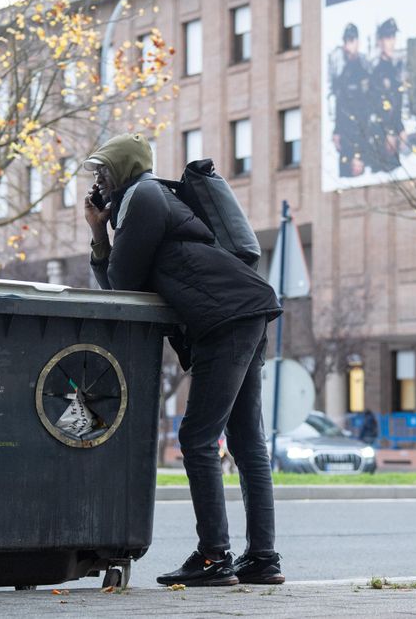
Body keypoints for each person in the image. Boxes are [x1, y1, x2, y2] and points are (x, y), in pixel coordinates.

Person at [82, 132, 285, 587]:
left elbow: (121, 287)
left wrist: (101, 233)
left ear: (123, 167)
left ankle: (214, 557)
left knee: (197, 437)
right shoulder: (144, 200)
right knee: (246, 440)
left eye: (103, 170)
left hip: (227, 319)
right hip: (244, 311)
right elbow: (123, 290)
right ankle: (262, 558)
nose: (98, 180)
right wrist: (101, 229)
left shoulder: (144, 196)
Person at [331, 23, 369, 178]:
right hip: (346, 132)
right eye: (346, 41)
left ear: (358, 42)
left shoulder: (365, 66)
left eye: (351, 41)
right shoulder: (342, 70)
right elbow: (339, 103)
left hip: (363, 131)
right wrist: (336, 131)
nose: (348, 46)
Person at [367, 18, 405, 173]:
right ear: (380, 41)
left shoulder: (393, 69)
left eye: (393, 37)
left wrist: (400, 129)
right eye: (388, 37)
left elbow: (396, 106)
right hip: (383, 139)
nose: (391, 42)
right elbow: (380, 107)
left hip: (392, 137)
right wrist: (390, 132)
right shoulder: (378, 72)